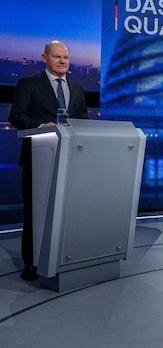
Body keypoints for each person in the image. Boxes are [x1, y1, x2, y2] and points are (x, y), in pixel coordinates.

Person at [8, 40, 88, 281]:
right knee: (36, 213)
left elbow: (82, 117)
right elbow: (17, 115)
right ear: (45, 58)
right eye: (57, 57)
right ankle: (32, 263)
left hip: (71, 158)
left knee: (67, 212)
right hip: (39, 156)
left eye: (66, 58)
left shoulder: (76, 87)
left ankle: (64, 258)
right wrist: (41, 126)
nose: (62, 61)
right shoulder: (29, 84)